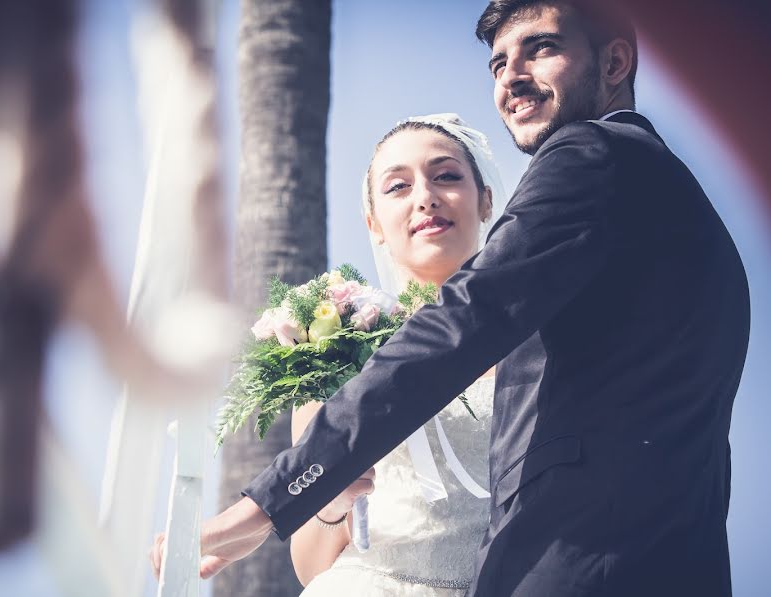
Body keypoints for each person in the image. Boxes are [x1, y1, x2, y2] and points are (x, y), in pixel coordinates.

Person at [199, 2, 750, 596]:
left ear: (615, 61)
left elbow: (462, 321)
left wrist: (265, 503)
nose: (510, 76)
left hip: (579, 566)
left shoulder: (590, 157)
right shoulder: (679, 215)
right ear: (373, 220)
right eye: (497, 63)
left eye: (540, 48)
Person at [290, 114, 506, 594]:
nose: (425, 197)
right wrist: (332, 504)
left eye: (446, 176)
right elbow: (310, 566)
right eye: (397, 187)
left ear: (486, 200)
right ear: (373, 222)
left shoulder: (539, 341)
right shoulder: (335, 348)